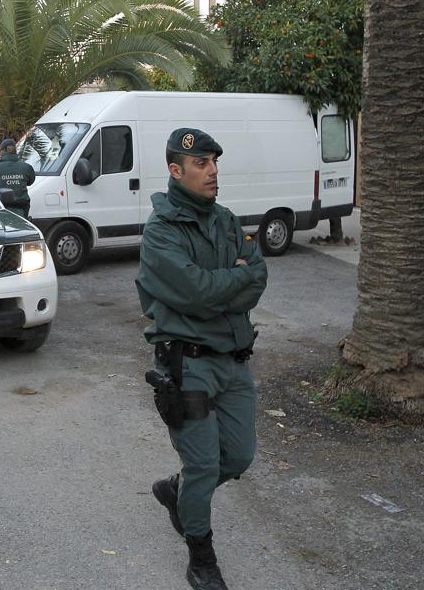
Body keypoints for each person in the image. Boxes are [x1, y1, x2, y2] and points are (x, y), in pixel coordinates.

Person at [135, 128, 268, 590]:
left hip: (232, 360)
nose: (213, 171)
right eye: (202, 163)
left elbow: (258, 275)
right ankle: (201, 558)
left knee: (239, 456)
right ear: (176, 170)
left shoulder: (227, 220)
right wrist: (227, 282)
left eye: (215, 162)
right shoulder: (160, 231)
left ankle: (176, 492)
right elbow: (193, 292)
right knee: (204, 465)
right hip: (187, 365)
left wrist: (220, 285)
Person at [0, 137, 35, 218]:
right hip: (22, 210)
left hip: (1, 208)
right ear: (15, 150)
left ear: (3, 150)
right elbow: (31, 181)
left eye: (0, 150)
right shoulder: (26, 167)